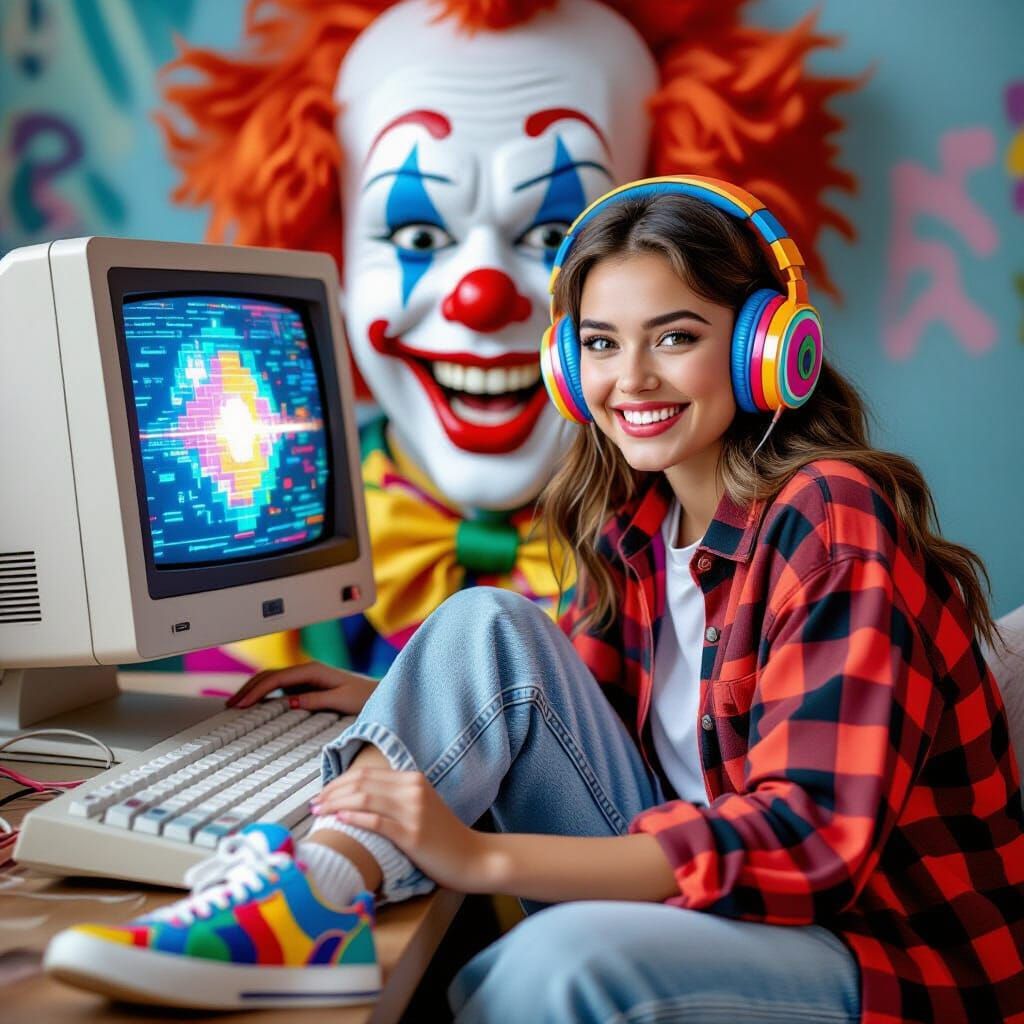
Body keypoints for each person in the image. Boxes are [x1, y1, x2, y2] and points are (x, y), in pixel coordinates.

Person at [45, 179, 1024, 1023]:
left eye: (674, 337)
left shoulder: (831, 519)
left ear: (765, 349)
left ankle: (308, 904)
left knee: (548, 970)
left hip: (880, 956)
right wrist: (393, 696)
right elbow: (545, 695)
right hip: (730, 896)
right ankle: (312, 892)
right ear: (567, 362)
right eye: (600, 342)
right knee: (481, 622)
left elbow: (810, 840)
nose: (629, 378)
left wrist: (480, 858)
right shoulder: (635, 522)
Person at [157, 0, 859, 677]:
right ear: (330, 254)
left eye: (557, 235)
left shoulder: (725, 540)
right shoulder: (268, 504)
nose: (481, 301)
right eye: (418, 235)